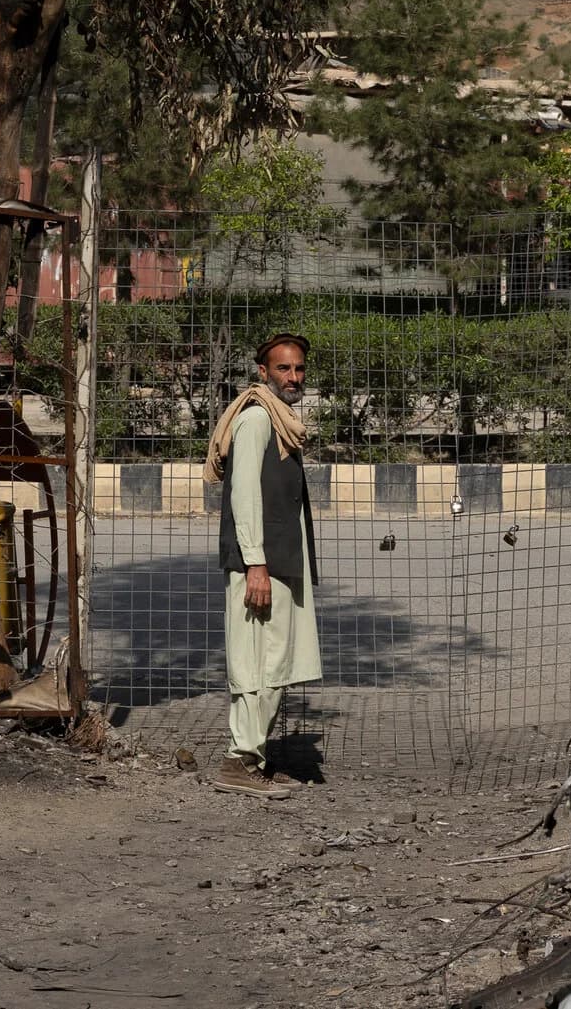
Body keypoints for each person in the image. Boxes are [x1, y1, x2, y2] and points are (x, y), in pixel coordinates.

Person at [203, 332, 322, 798]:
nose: (293, 377)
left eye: (299, 368)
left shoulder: (281, 420)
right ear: (263, 372)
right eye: (283, 369)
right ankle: (239, 761)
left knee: (275, 664)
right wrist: (255, 563)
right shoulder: (256, 419)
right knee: (255, 663)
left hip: (279, 561)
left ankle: (254, 758)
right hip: (260, 563)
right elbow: (244, 497)